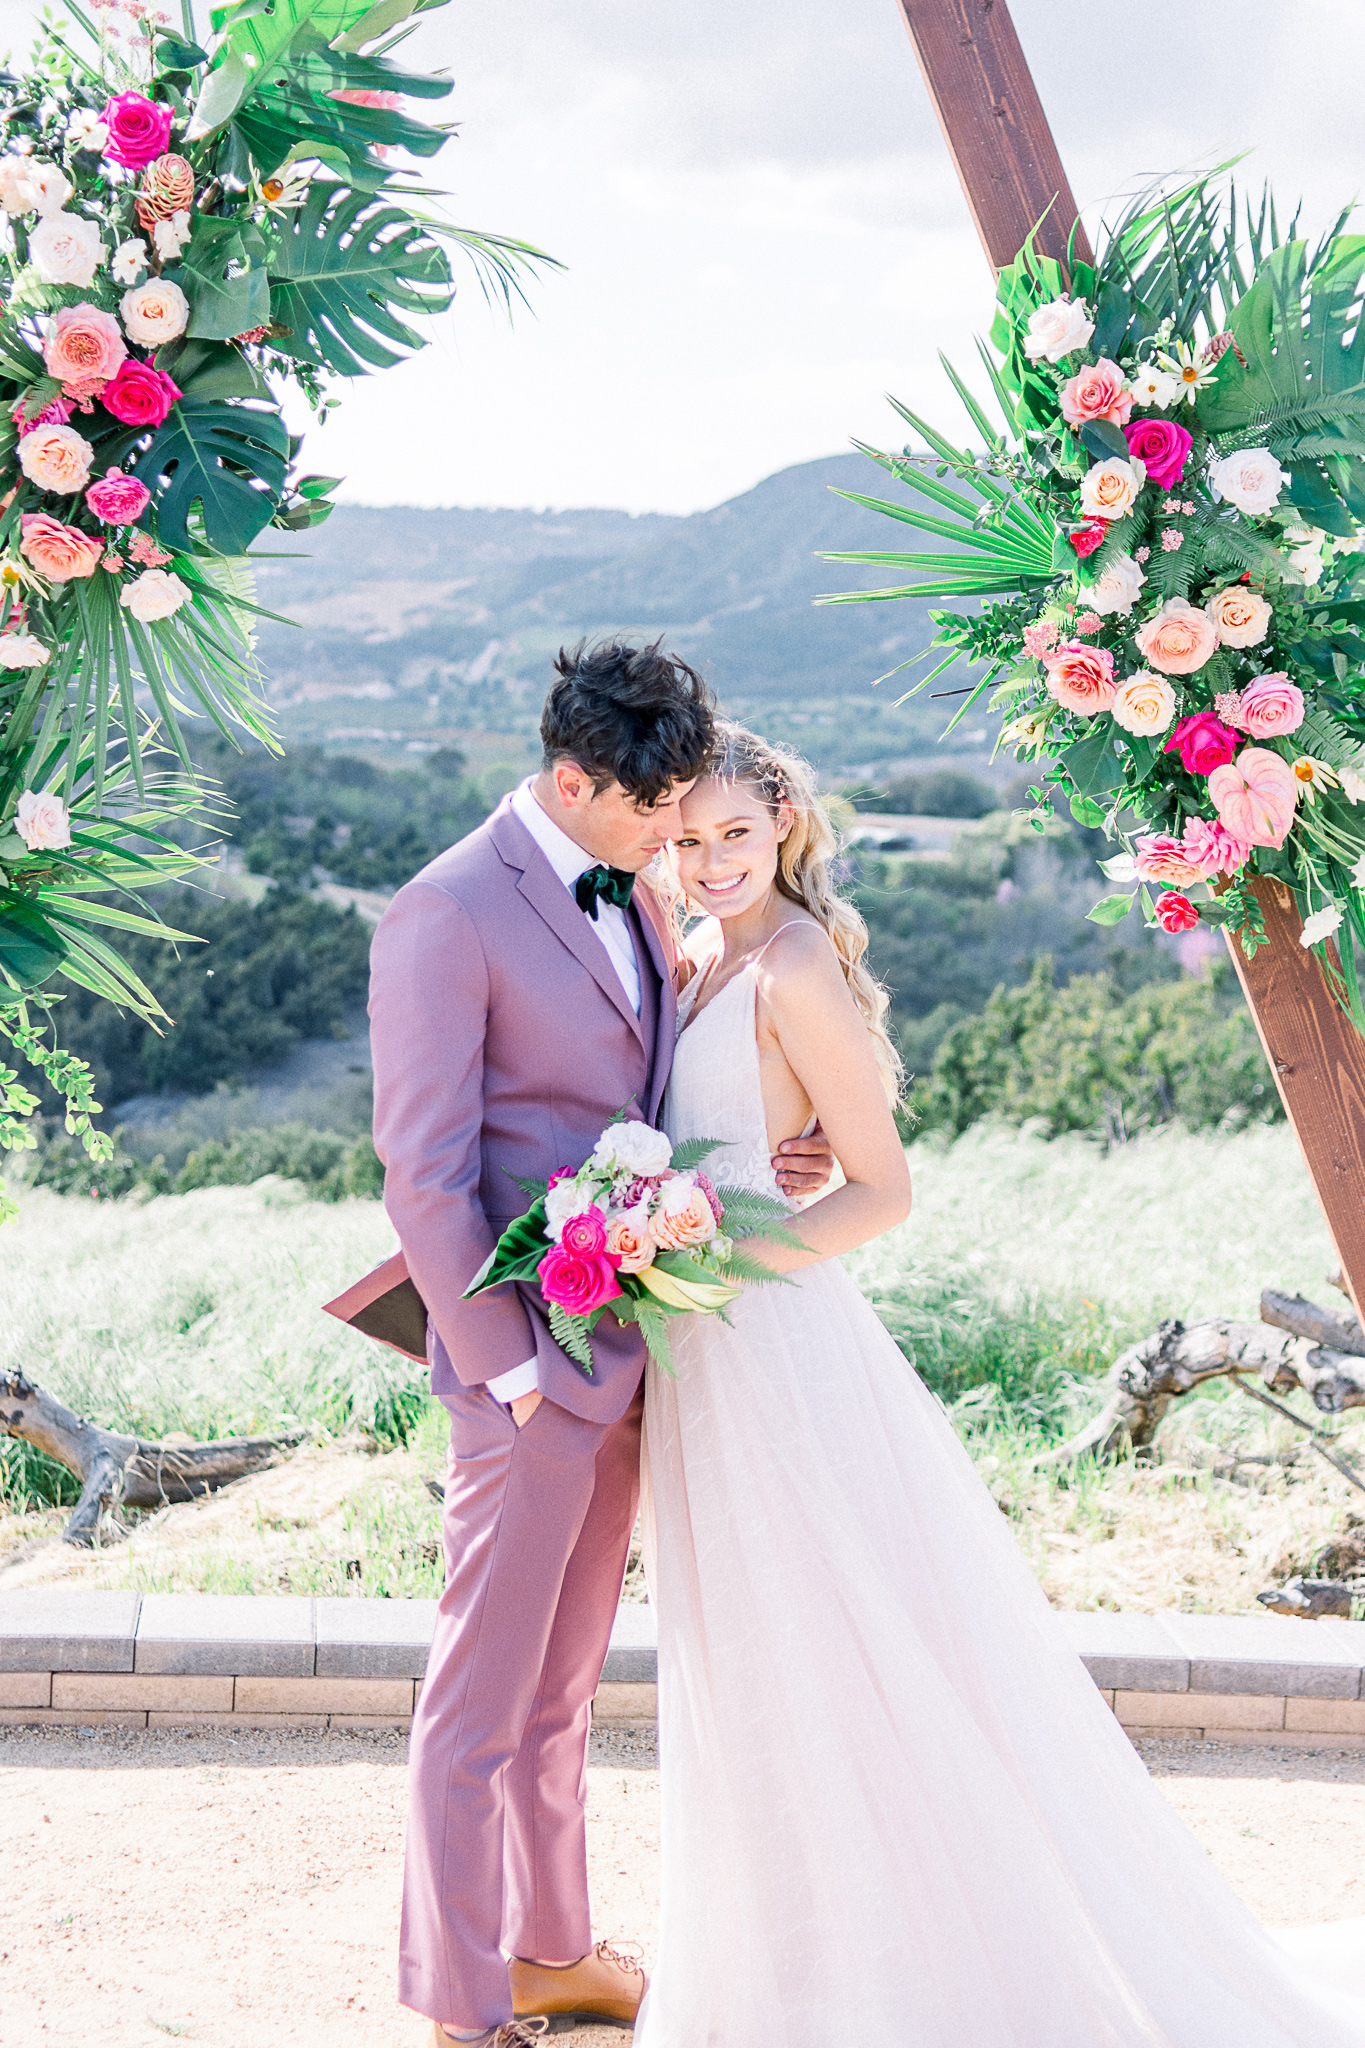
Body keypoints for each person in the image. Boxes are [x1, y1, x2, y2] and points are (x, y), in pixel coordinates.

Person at [635, 719, 1365, 2047]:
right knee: (751, 1660)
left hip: (775, 1348)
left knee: (833, 1648)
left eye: (732, 833)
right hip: (702, 1358)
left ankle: (891, 1982)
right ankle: (791, 1965)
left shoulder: (790, 964)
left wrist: (707, 1253)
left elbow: (881, 1192)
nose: (710, 859)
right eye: (686, 841)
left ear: (782, 821)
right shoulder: (695, 955)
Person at [367, 645, 832, 2047]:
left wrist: (768, 1149)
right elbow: (425, 1176)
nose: (673, 842)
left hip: (631, 1347)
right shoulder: (443, 914)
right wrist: (508, 1374)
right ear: (571, 781)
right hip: (521, 1376)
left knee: (563, 1689)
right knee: (479, 1705)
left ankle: (553, 1950)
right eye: (651, 814)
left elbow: (645, 1078)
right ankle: (459, 2007)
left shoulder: (626, 879)